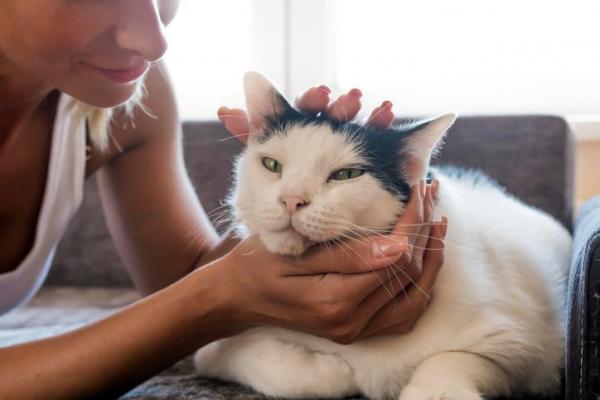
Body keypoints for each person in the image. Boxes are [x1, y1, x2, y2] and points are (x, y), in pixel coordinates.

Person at [0, 1, 448, 398]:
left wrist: (283, 186)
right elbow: (202, 298)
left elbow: (183, 284)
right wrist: (216, 295)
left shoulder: (131, 95)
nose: (154, 41)